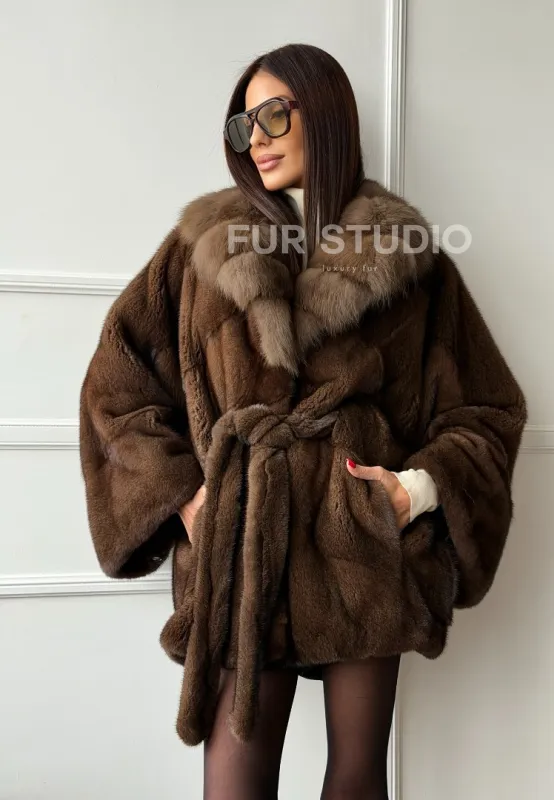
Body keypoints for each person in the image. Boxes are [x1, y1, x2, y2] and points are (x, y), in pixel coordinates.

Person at [78, 42, 528, 800]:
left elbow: (486, 409)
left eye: (274, 115)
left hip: (360, 548)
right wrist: (187, 499)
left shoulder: (409, 261)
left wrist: (412, 493)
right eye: (243, 123)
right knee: (235, 787)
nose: (255, 137)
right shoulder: (197, 253)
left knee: (356, 782)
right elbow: (115, 390)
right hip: (243, 543)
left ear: (326, 115)